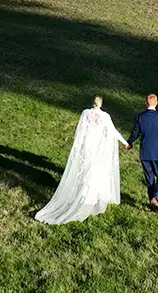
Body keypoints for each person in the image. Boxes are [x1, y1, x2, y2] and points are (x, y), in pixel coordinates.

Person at [33, 96, 127, 224]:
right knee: (94, 171)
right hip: (97, 147)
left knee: (85, 170)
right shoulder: (105, 116)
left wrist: (79, 146)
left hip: (86, 146)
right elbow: (112, 131)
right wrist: (125, 142)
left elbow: (80, 131)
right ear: (101, 103)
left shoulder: (85, 113)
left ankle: (84, 194)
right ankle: (90, 197)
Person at [128, 93, 158, 211]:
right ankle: (155, 198)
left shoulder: (140, 117)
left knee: (149, 179)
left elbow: (135, 133)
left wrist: (130, 142)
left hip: (145, 152)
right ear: (156, 103)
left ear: (145, 103)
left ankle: (154, 204)